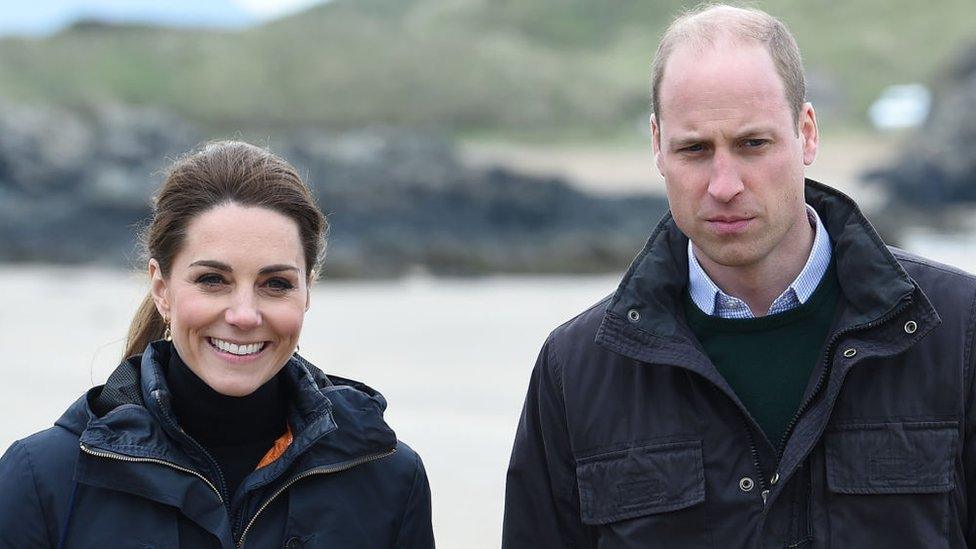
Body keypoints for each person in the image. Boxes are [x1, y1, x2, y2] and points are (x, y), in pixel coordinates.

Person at [503, 4, 976, 548]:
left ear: (807, 133)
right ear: (657, 145)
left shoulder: (957, 331)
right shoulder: (576, 369)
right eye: (695, 149)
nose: (724, 184)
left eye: (753, 144)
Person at [0, 141, 434, 548]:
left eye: (276, 284)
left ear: (307, 292)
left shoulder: (389, 479)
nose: (244, 314)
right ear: (161, 289)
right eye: (212, 280)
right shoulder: (43, 479)